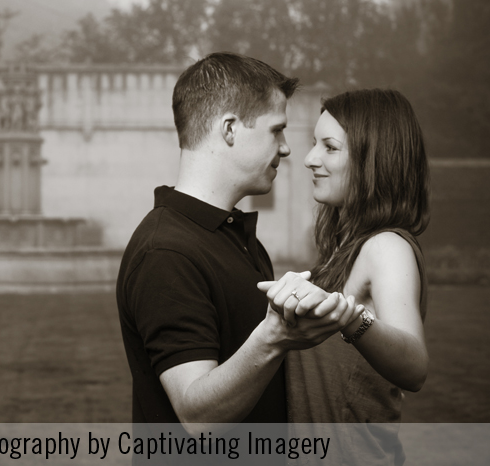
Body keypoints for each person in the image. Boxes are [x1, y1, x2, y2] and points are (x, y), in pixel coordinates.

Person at [115, 52, 364, 436]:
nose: (286, 148)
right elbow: (198, 417)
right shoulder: (166, 252)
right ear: (229, 129)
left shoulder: (235, 237)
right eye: (276, 130)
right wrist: (275, 337)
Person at [259, 89, 429, 464]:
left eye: (330, 147)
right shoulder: (346, 246)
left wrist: (350, 318)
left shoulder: (386, 248)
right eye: (314, 144)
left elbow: (415, 367)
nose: (309, 159)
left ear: (374, 160)